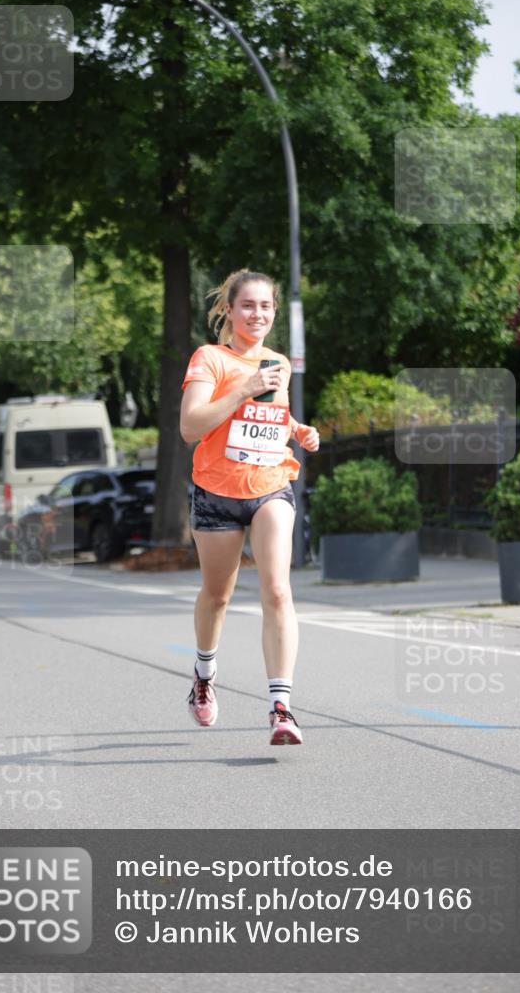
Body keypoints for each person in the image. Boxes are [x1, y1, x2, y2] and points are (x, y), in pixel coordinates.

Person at [180, 268, 319, 745]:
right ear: (229, 310)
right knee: (217, 596)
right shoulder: (210, 359)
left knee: (278, 590)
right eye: (248, 305)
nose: (257, 314)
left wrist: (298, 430)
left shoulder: (278, 362)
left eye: (265, 306)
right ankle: (204, 673)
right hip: (217, 493)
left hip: (269, 486)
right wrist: (243, 386)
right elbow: (191, 426)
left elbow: (272, 418)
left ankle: (281, 708)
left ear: (274, 311)